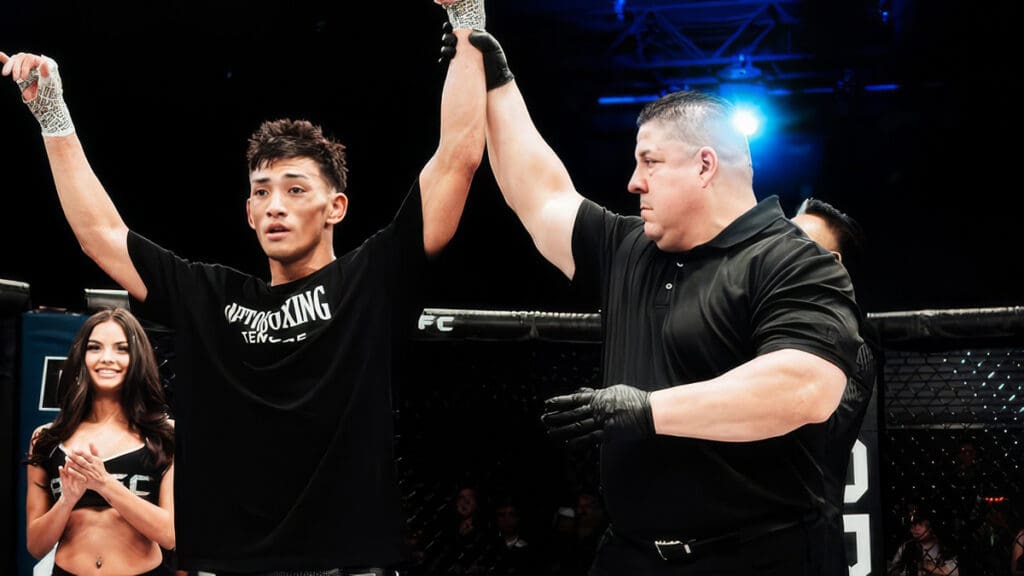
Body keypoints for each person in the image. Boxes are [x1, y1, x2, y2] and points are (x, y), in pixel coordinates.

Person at [2, 4, 487, 573]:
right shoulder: (212, 295)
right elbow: (102, 236)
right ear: (249, 212)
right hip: (229, 565)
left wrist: (467, 17)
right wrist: (52, 113)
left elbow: (457, 157)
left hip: (346, 564)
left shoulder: (369, 279)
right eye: (262, 191)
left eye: (295, 189)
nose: (275, 205)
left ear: (335, 207)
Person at [445, 22, 864, 575]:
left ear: (705, 165)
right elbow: (538, 192)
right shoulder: (629, 246)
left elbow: (804, 388)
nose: (633, 181)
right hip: (632, 555)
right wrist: (493, 71)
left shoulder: (794, 260)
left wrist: (646, 409)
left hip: (759, 557)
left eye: (650, 161)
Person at [24, 307, 175, 576]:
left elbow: (169, 535)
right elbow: (35, 546)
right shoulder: (46, 438)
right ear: (81, 357)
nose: (107, 358)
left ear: (138, 357)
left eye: (121, 349)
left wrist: (104, 484)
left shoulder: (166, 435)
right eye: (95, 347)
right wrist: (67, 501)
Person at [792, 197, 879, 575]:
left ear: (831, 263)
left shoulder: (851, 349)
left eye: (796, 243)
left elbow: (812, 434)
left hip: (806, 546)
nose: (778, 249)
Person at [886, 504, 960, 576]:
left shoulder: (943, 545)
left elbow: (953, 571)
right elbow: (892, 570)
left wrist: (923, 565)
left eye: (920, 524)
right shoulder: (906, 546)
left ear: (930, 526)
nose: (915, 528)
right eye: (912, 525)